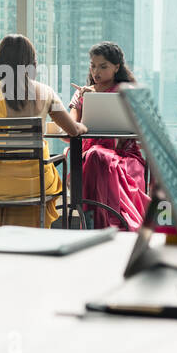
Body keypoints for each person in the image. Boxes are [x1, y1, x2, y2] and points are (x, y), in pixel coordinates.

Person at [0, 34, 86, 227]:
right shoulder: (46, 93)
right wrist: (82, 124)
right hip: (35, 186)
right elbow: (73, 130)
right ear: (31, 64)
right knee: (55, 165)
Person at [68, 41, 148, 230]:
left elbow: (142, 129)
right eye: (93, 66)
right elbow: (69, 130)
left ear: (116, 67)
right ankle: (97, 223)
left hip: (124, 156)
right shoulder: (83, 93)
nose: (96, 72)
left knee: (98, 156)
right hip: (89, 154)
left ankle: (109, 223)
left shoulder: (126, 92)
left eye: (103, 67)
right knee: (96, 155)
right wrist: (82, 100)